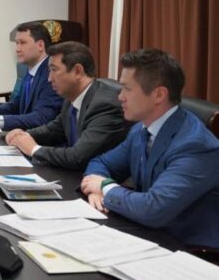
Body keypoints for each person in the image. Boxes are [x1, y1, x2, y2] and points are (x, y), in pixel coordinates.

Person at [82, 49, 219, 248]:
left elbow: (153, 209)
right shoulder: (141, 130)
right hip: (149, 234)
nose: (120, 97)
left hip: (190, 250)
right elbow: (101, 162)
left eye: (127, 89)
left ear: (159, 95)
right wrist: (97, 192)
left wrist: (105, 187)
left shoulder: (196, 146)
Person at [6, 41, 131, 170]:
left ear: (77, 71)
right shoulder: (71, 97)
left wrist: (34, 149)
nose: (49, 78)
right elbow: (55, 130)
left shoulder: (105, 105)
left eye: (54, 70)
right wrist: (24, 135)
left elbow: (78, 157)